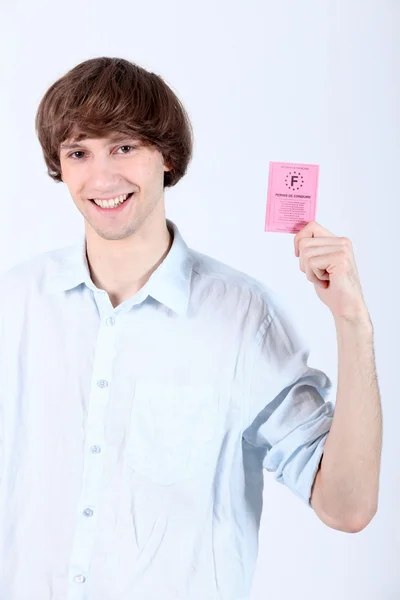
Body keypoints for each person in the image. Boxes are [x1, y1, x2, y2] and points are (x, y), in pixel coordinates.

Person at [0, 57, 382, 600]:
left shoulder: (244, 318)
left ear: (168, 157)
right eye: (79, 152)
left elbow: (346, 507)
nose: (102, 176)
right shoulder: (14, 303)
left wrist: (354, 324)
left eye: (124, 147)